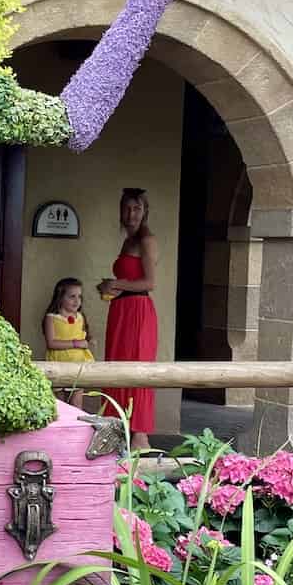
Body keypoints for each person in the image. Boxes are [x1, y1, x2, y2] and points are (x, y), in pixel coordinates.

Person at [98, 187, 158, 452]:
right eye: (127, 208)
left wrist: (116, 282)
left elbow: (149, 282)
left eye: (137, 208)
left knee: (137, 368)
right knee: (117, 367)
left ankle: (140, 437)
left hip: (138, 311)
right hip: (121, 309)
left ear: (145, 212)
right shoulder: (128, 241)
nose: (131, 214)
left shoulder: (147, 239)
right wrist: (109, 287)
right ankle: (119, 428)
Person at [42, 276, 93, 406]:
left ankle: (76, 426)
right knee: (59, 405)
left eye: (79, 297)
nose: (77, 301)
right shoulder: (52, 318)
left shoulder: (80, 317)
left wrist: (87, 342)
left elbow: (84, 336)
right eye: (72, 296)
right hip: (58, 364)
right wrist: (75, 343)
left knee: (76, 403)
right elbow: (51, 343)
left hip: (77, 365)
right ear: (60, 297)